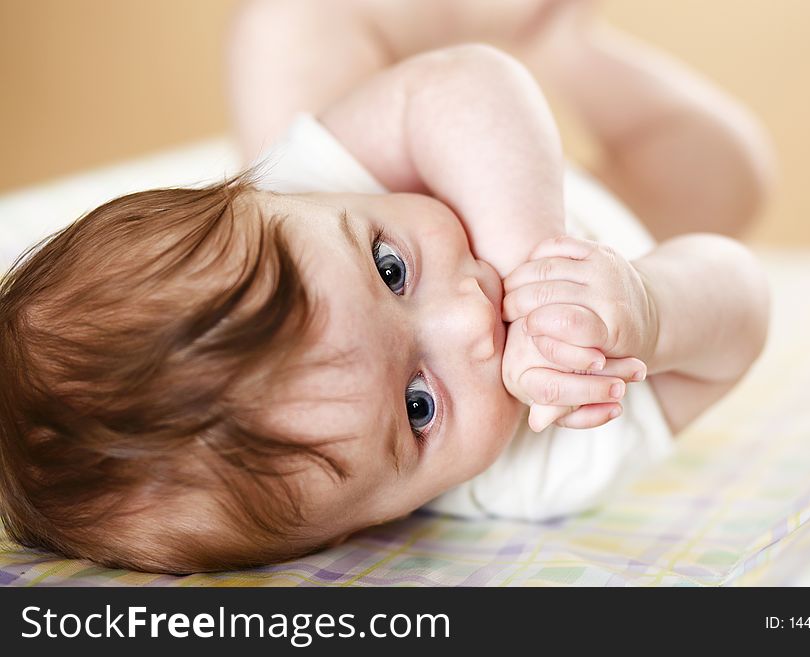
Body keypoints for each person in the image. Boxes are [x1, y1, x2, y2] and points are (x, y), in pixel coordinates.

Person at [0, 0, 771, 573]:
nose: (473, 314)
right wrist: (648, 307)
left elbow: (467, 84)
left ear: (264, 202)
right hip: (632, 221)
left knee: (286, 23)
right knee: (733, 170)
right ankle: (567, 41)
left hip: (420, 160)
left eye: (392, 271)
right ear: (360, 525)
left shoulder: (309, 211)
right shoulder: (539, 462)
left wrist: (534, 252)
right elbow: (742, 304)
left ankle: (498, 18)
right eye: (419, 406)